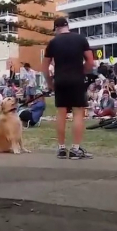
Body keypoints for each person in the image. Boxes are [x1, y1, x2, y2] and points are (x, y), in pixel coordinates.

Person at [42, 17, 94, 160]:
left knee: (61, 113)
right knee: (78, 112)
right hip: (76, 79)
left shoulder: (53, 43)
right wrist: (83, 71)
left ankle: (61, 148)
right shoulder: (80, 39)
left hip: (60, 80)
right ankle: (75, 149)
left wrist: (50, 83)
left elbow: (45, 67)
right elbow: (90, 61)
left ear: (56, 28)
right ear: (67, 26)